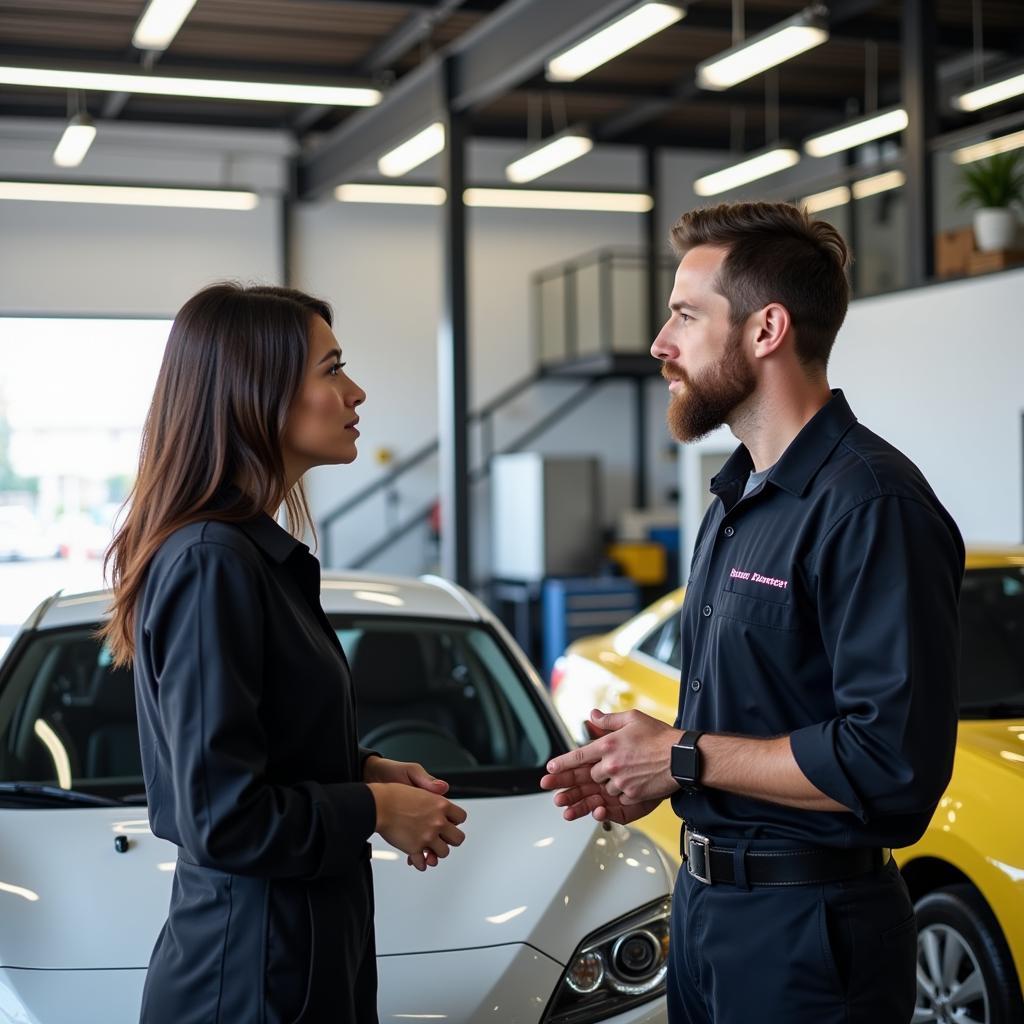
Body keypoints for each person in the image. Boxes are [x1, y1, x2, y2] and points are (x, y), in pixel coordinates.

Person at [541, 201, 963, 1023]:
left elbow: (892, 766)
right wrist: (650, 763)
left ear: (766, 329)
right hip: (706, 915)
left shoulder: (870, 505)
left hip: (810, 938)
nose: (662, 344)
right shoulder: (737, 500)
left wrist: (685, 757)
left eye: (685, 316)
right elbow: (761, 712)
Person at [102, 283, 468, 1024]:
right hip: (249, 982)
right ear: (254, 393)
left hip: (286, 962)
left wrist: (360, 768)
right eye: (332, 369)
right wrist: (372, 808)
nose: (355, 392)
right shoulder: (213, 561)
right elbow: (223, 816)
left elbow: (253, 748)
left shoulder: (247, 558)